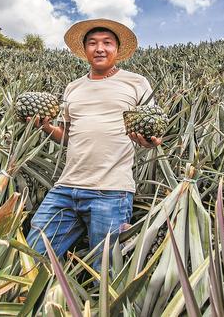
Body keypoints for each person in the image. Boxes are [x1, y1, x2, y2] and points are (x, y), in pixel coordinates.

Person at [25, 18, 162, 271]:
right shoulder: (73, 87)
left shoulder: (136, 82)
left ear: (117, 50)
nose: (100, 48)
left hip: (111, 191)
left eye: (107, 43)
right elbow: (66, 136)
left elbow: (152, 130)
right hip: (65, 188)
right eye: (93, 43)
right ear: (85, 50)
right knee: (32, 257)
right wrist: (45, 126)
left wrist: (149, 141)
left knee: (105, 271)